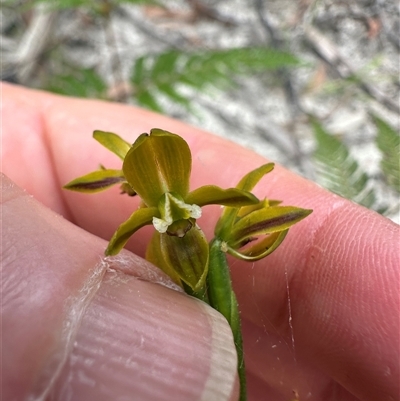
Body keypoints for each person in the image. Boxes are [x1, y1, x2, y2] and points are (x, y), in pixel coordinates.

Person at [1, 82, 399, 401]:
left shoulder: (203, 217)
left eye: (178, 209)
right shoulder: (154, 216)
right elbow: (117, 243)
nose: (174, 214)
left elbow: (239, 200)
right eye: (163, 209)